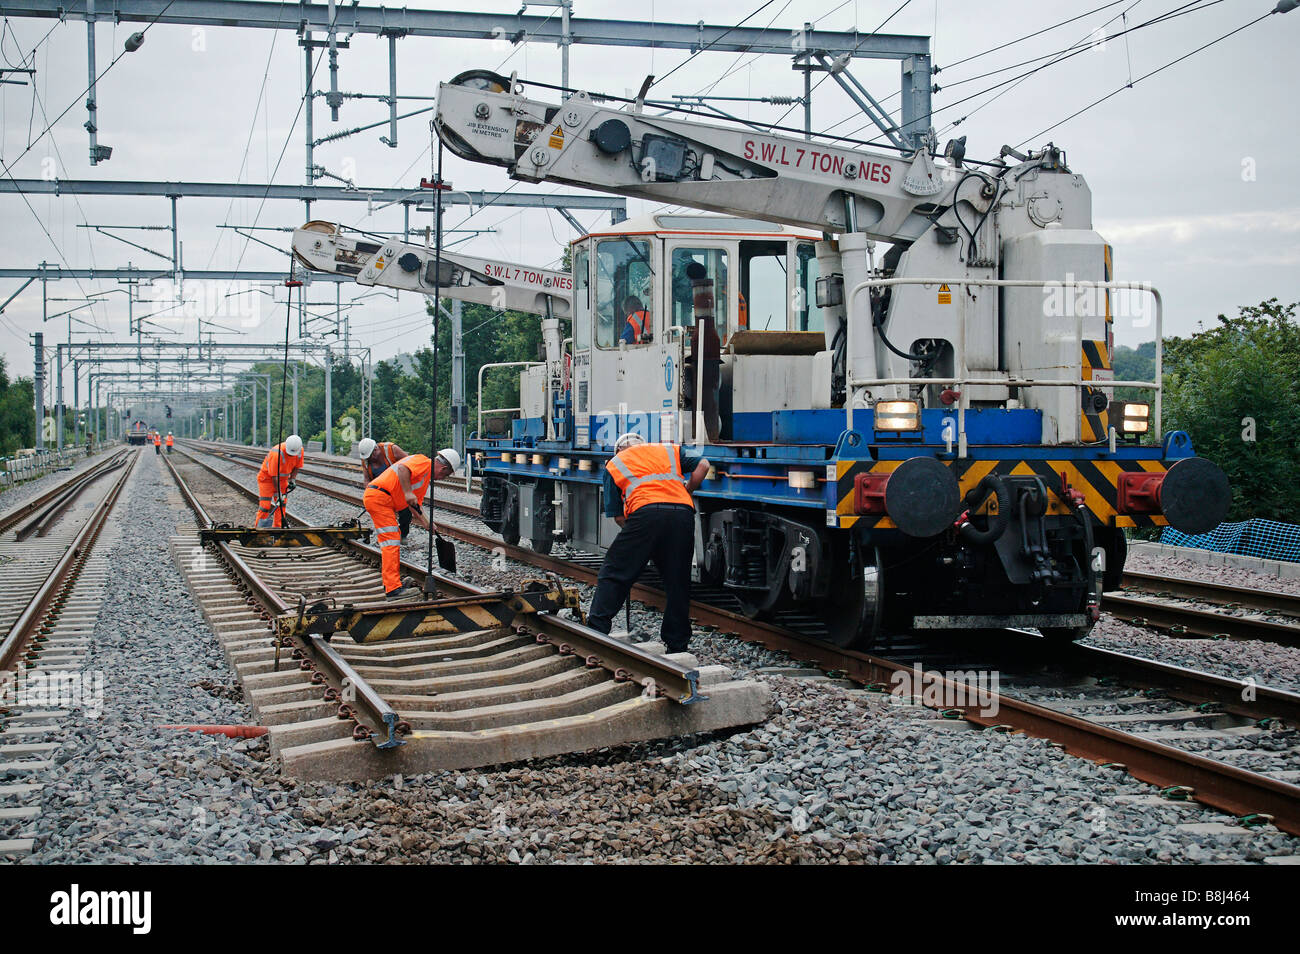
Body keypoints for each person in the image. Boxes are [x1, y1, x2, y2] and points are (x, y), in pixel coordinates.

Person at [587, 433, 710, 653]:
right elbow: (704, 464)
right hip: (682, 515)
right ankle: (677, 645)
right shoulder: (667, 451)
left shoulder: (614, 464)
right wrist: (687, 490)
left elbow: (619, 518)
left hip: (645, 515)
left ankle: (596, 630)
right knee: (677, 582)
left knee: (614, 572)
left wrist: (641, 542)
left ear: (619, 450)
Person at [363, 448, 459, 600]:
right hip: (380, 497)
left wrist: (427, 523)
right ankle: (393, 589)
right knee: (391, 542)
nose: (442, 478)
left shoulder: (425, 478)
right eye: (445, 475)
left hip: (382, 499)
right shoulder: (423, 462)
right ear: (443, 468)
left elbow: (415, 505)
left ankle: (392, 583)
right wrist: (407, 492)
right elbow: (402, 469)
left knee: (392, 541)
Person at [357, 437, 412, 541]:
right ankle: (388, 536)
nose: (369, 459)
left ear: (376, 450)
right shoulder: (366, 460)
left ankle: (403, 534)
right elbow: (366, 479)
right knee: (383, 514)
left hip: (399, 487)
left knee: (406, 512)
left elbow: (410, 464)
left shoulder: (391, 450)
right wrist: (369, 494)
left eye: (371, 456)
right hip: (381, 491)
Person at [254, 435, 305, 528]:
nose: (291, 455)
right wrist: (279, 493)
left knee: (281, 505)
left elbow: (297, 466)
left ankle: (278, 528)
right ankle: (259, 530)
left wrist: (292, 479)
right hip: (267, 480)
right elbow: (274, 476)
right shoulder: (277, 453)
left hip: (282, 481)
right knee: (265, 506)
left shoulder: (299, 451)